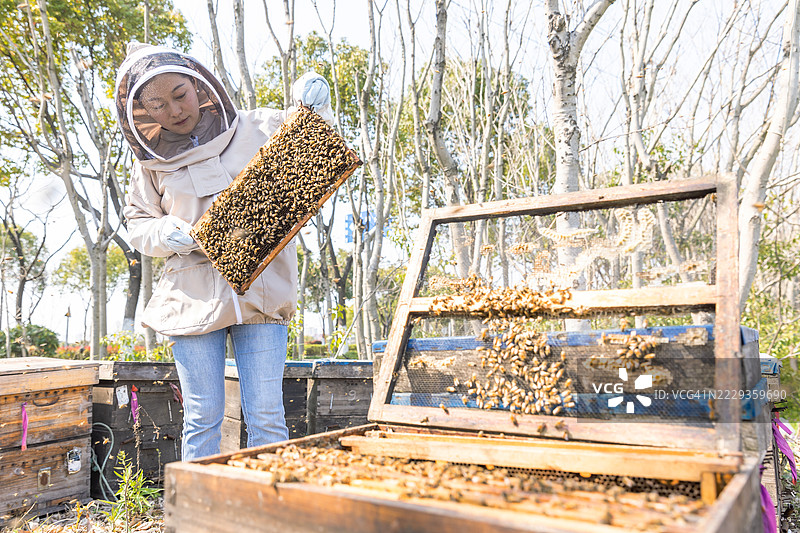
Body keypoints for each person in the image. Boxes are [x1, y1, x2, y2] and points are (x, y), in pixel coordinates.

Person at [115, 42, 332, 461]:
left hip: (261, 292)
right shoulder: (150, 167)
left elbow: (312, 147)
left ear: (200, 85)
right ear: (141, 112)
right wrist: (166, 233)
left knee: (267, 415)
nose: (174, 110)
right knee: (203, 415)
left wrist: (315, 108)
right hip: (191, 298)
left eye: (180, 94)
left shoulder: (260, 126)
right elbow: (138, 225)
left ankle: (268, 515)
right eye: (158, 105)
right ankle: (199, 517)